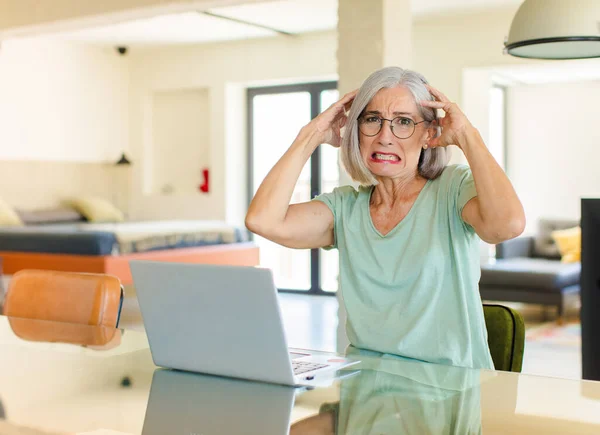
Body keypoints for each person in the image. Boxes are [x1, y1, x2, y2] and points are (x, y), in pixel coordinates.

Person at [245, 66, 525, 370]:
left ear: (429, 133)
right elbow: (263, 220)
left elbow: (507, 226)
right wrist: (310, 135)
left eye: (403, 122)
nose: (384, 137)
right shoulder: (345, 208)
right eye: (372, 120)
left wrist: (468, 137)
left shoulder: (454, 189)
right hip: (367, 388)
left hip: (447, 393)